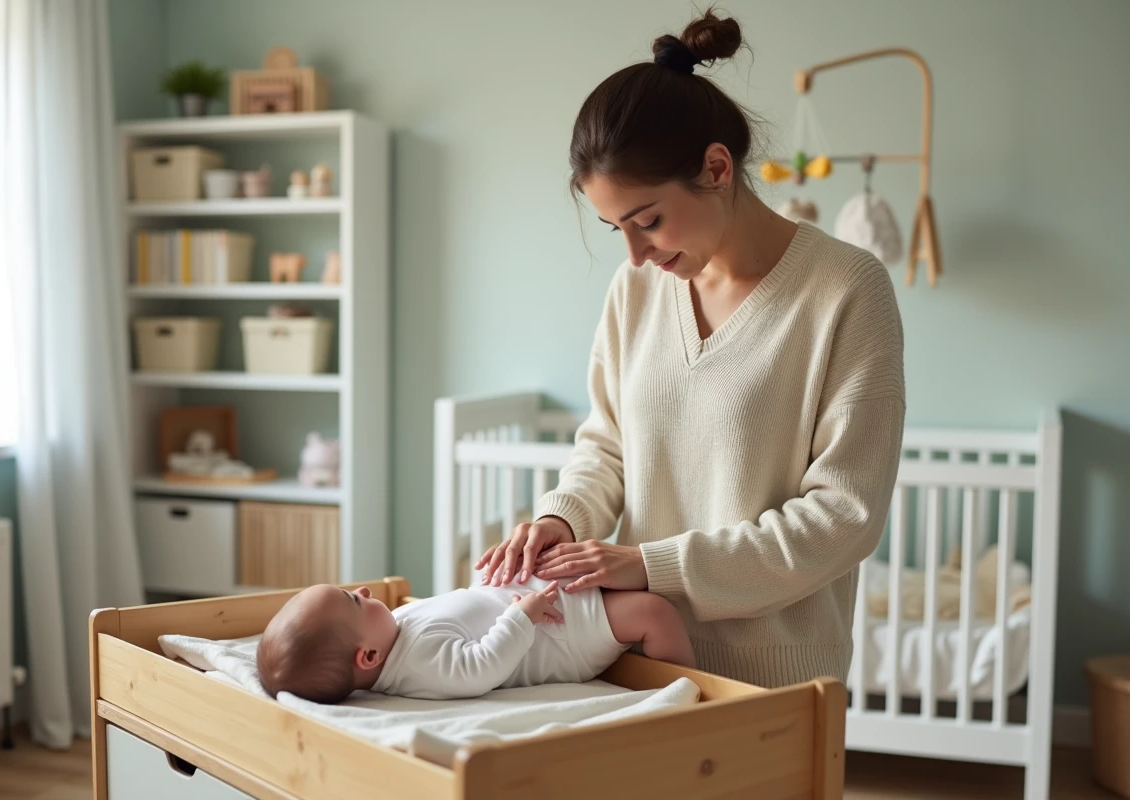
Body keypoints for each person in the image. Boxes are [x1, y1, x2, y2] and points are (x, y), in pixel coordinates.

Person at [474, 9, 905, 689]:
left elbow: (842, 518)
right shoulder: (635, 291)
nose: (636, 253)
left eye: (647, 221)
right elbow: (608, 447)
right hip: (633, 657)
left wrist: (651, 564)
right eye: (616, 227)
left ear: (715, 168)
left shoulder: (846, 290)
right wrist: (563, 518)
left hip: (773, 680)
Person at [256, 579, 695, 703]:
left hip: (543, 600)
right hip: (564, 632)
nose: (366, 591)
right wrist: (520, 617)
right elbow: (479, 667)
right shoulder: (418, 663)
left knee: (630, 574)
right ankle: (696, 697)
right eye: (354, 601)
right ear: (367, 657)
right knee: (654, 613)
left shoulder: (391, 630)